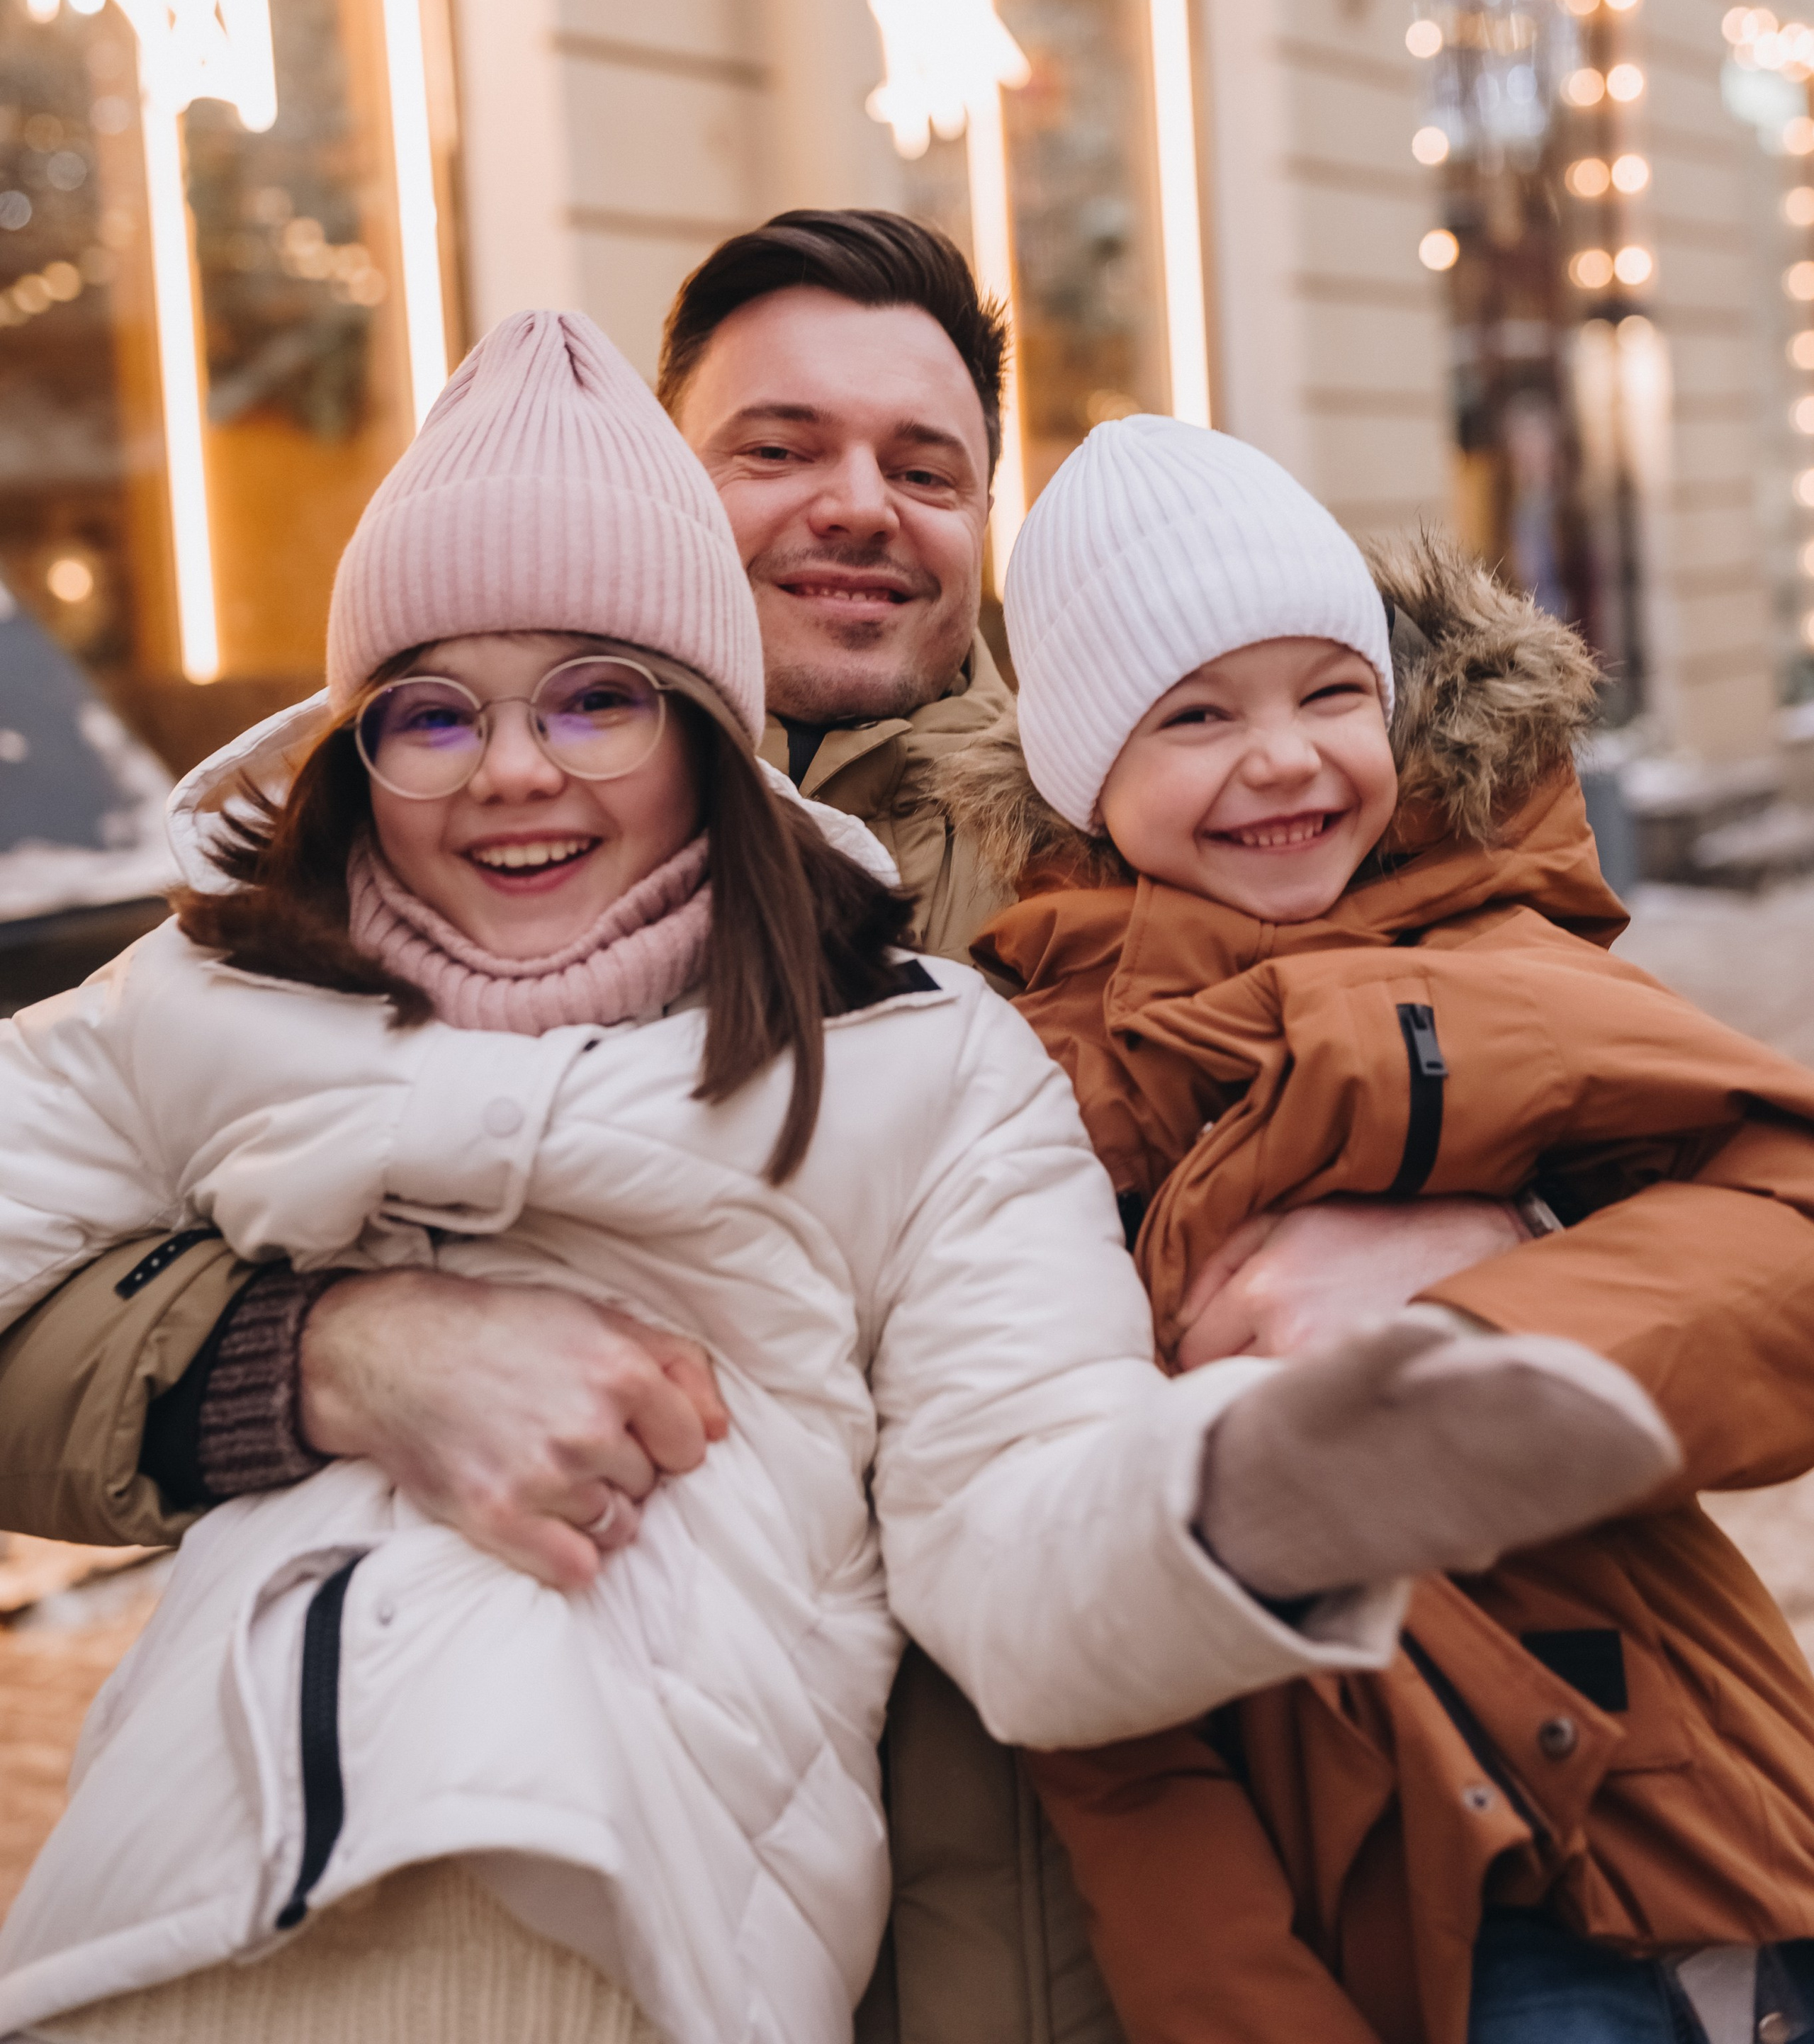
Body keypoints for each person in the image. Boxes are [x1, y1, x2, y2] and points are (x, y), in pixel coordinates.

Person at [0, 213, 1722, 2041]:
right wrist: (315, 1351)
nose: (855, 504)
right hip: (204, 1915)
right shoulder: (242, 986)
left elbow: (1046, 1475)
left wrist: (1473, 1304)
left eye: (924, 467)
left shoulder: (1138, 844)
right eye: (777, 447)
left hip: (1111, 1889)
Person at [949, 412, 1814, 2044]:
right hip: (1371, 1893)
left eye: (1326, 693)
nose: (1278, 756)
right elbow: (1095, 1675)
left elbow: (1785, 1225)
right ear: (1082, 771)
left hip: (1667, 1820)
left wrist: (1484, 1300)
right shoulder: (1035, 1096)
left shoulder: (1503, 958)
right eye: (1193, 714)